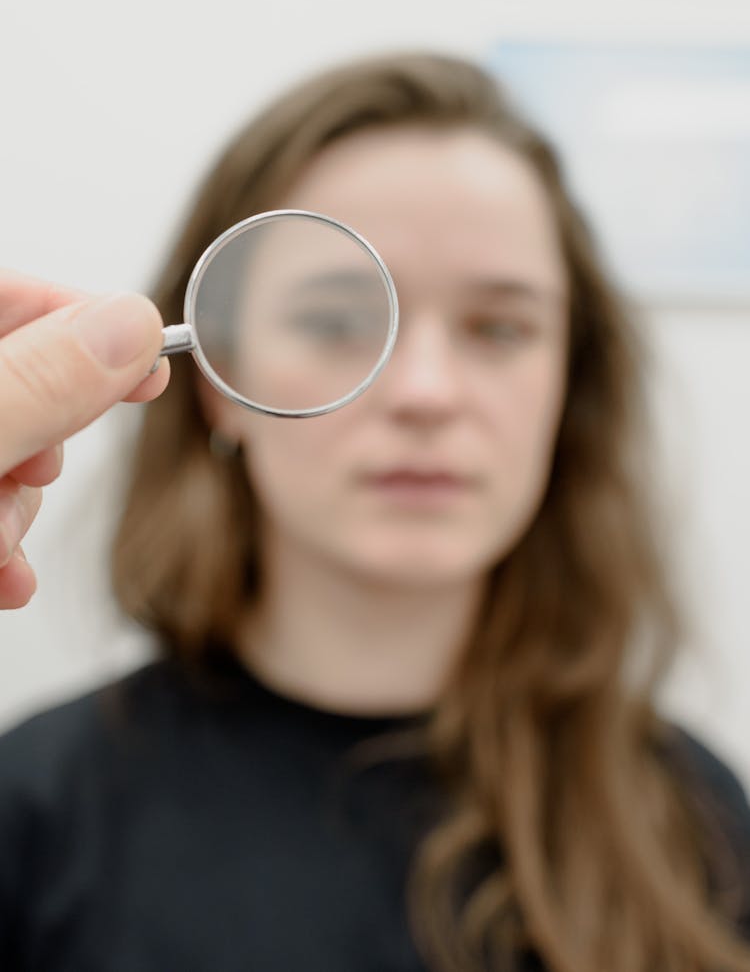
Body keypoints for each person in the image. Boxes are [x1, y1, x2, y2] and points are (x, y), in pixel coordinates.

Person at [0, 52, 748, 972]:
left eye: (500, 328)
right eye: (335, 319)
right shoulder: (32, 810)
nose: (427, 391)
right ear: (219, 384)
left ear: (569, 390)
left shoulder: (693, 819)